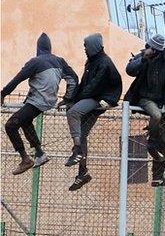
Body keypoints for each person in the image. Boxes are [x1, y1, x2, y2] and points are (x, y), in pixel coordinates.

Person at [1, 33, 78, 175]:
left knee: (11, 125)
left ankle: (25, 159)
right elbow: (73, 79)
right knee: (25, 122)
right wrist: (68, 98)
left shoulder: (35, 62)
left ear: (38, 48)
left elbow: (17, 79)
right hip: (49, 101)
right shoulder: (60, 61)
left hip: (37, 101)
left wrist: (3, 93)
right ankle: (39, 153)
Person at [61, 33, 122, 191]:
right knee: (81, 135)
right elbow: (84, 84)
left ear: (93, 46)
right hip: (92, 95)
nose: (84, 49)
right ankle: (83, 173)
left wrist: (75, 101)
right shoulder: (92, 61)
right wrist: (70, 99)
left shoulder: (104, 62)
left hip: (101, 98)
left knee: (73, 112)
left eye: (86, 46)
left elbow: (94, 86)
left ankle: (77, 150)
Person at [124, 34, 165, 187]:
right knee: (156, 115)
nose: (148, 49)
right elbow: (129, 70)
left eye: (151, 48)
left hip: (163, 102)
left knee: (164, 139)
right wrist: (143, 58)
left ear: (157, 50)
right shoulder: (143, 56)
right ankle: (151, 143)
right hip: (145, 99)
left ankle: (158, 176)